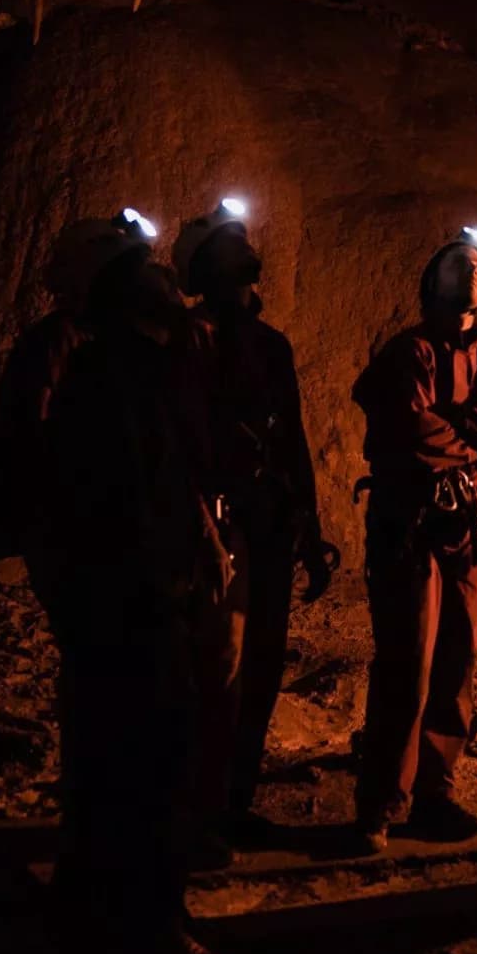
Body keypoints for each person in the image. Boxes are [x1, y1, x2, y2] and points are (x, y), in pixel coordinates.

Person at [0, 208, 232, 954]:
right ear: (129, 296)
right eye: (154, 275)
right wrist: (164, 585)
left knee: (110, 759)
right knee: (152, 763)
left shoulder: (133, 374)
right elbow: (120, 501)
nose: (173, 286)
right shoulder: (107, 381)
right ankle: (151, 931)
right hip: (130, 605)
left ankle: (90, 916)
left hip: (129, 599)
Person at [349, 229, 477, 854]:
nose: (472, 269)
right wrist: (475, 434)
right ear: (433, 285)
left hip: (464, 530)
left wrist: (461, 429)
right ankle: (380, 804)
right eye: (459, 265)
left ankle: (435, 793)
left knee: (457, 658)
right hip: (410, 527)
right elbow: (410, 426)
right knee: (408, 661)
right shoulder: (408, 354)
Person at [171, 199, 338, 845]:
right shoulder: (191, 340)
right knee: (220, 672)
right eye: (229, 244)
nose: (244, 250)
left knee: (262, 668)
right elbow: (182, 444)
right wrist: (201, 533)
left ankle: (232, 804)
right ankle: (204, 811)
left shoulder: (271, 346)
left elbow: (292, 439)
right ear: (207, 269)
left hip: (267, 523)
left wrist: (312, 532)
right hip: (223, 527)